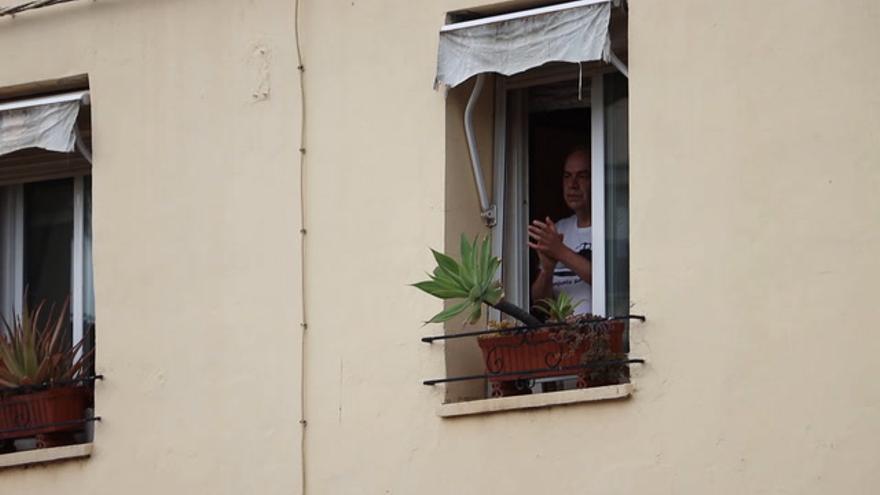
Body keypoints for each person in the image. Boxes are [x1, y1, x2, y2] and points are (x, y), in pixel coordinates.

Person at [529, 146, 593, 315]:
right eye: (567, 176)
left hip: (602, 337)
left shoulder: (612, 227)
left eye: (582, 176)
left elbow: (610, 280)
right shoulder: (558, 229)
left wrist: (560, 251)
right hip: (562, 337)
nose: (572, 185)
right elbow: (541, 305)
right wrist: (547, 271)